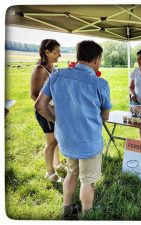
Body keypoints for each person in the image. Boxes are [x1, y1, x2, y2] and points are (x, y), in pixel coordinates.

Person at [35, 40, 111, 219]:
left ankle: (67, 211)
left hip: (67, 139)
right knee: (87, 181)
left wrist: (58, 121)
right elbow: (105, 116)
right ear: (97, 60)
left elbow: (40, 105)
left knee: (71, 173)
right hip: (89, 141)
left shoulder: (57, 75)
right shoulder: (100, 83)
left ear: (78, 57)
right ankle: (87, 215)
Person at [30, 39, 64, 182]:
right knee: (51, 142)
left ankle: (56, 163)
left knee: (56, 139)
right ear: (47, 52)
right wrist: (50, 109)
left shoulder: (54, 69)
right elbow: (34, 95)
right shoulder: (40, 69)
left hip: (55, 109)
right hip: (45, 111)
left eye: (59, 52)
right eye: (56, 52)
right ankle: (50, 174)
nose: (59, 55)